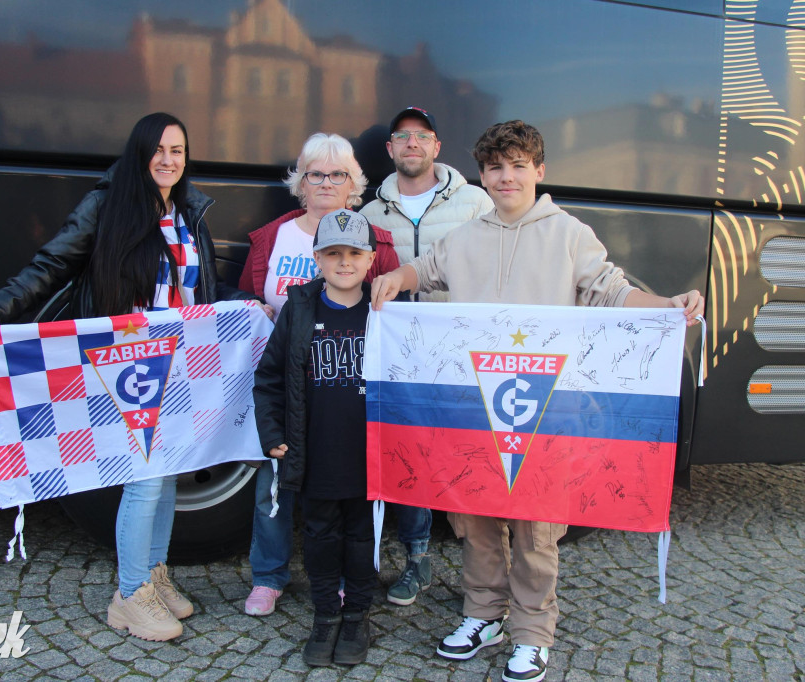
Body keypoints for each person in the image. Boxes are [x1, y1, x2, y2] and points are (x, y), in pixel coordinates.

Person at [370, 120, 704, 682]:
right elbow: (424, 271)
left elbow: (610, 289)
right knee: (474, 519)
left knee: (535, 527)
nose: (506, 177)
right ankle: (483, 613)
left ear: (539, 171)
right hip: (477, 409)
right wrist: (393, 278)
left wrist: (664, 304)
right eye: (496, 168)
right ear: (482, 174)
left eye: (518, 166)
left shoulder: (569, 233)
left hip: (547, 411)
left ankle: (532, 631)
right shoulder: (467, 235)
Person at [0, 112, 263, 642]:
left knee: (168, 470)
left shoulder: (188, 212)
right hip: (128, 363)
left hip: (183, 362)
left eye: (179, 151)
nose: (169, 160)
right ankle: (129, 595)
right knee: (145, 478)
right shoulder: (107, 204)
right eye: (159, 150)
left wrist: (247, 305)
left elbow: (198, 293)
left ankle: (155, 574)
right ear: (139, 151)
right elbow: (49, 266)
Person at [237, 133, 399, 617]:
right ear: (300, 182)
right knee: (275, 481)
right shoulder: (272, 237)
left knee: (343, 496)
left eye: (338, 175)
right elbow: (245, 294)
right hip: (287, 380)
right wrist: (249, 305)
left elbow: (392, 307)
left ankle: (347, 581)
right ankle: (269, 576)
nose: (326, 183)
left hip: (345, 388)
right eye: (316, 174)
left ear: (355, 186)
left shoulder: (377, 242)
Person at [360, 106, 494, 607]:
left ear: (437, 147)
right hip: (398, 354)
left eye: (422, 136)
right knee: (409, 456)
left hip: (459, 353)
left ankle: (485, 578)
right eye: (402, 137)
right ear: (390, 149)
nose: (412, 144)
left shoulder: (475, 202)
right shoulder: (370, 213)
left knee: (471, 460)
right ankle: (417, 561)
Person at [253, 210, 385, 667]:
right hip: (314, 453)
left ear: (370, 260)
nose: (344, 263)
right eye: (333, 254)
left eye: (354, 253)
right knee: (320, 537)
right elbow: (269, 378)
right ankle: (327, 615)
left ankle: (358, 617)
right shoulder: (300, 308)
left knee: (361, 537)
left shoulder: (385, 309)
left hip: (368, 456)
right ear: (317, 258)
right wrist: (272, 434)